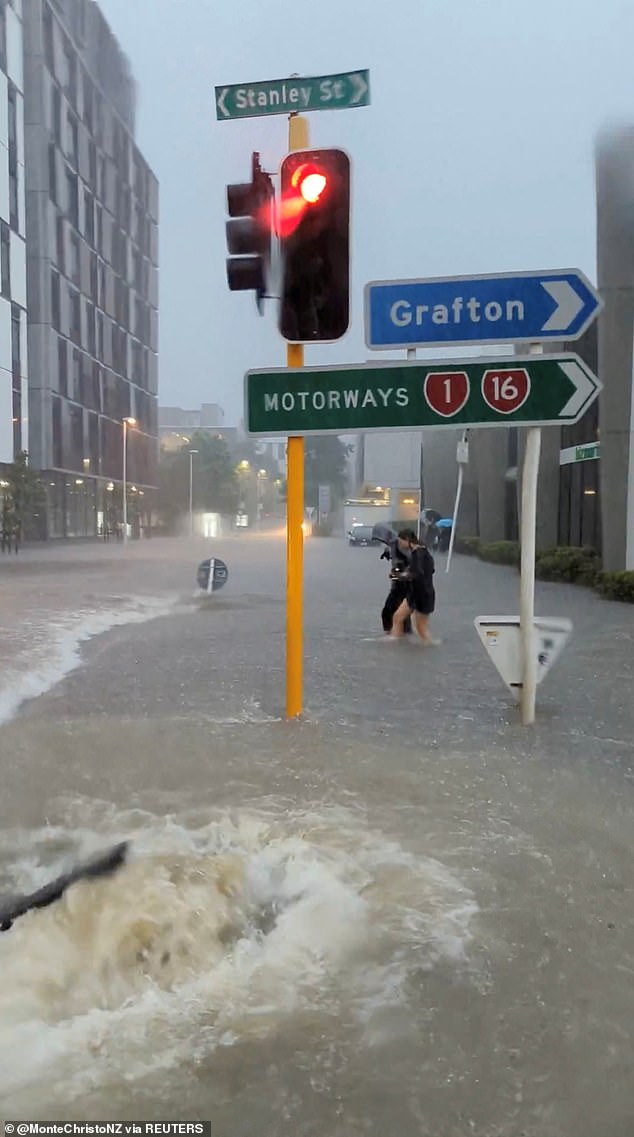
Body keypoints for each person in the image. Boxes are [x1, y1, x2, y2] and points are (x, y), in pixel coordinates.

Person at [390, 529, 439, 644]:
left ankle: (431, 646)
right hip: (414, 593)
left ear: (407, 539)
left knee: (421, 628)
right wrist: (401, 573)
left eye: (401, 541)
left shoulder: (419, 553)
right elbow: (429, 570)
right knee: (397, 617)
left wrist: (400, 576)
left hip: (422, 594)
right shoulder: (420, 552)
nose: (400, 545)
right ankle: (394, 641)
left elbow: (417, 574)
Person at [380, 535, 412, 635]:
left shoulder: (402, 549)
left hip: (403, 586)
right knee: (396, 612)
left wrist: (398, 574)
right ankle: (399, 634)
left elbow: (408, 568)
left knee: (390, 612)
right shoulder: (393, 547)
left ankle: (394, 634)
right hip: (398, 585)